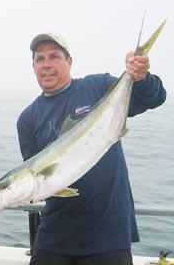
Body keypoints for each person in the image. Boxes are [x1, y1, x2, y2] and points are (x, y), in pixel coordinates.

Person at [17, 33, 167, 265]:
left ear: (69, 62)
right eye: (40, 59)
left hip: (108, 231)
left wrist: (141, 77)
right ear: (33, 67)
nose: (46, 64)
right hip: (55, 234)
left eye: (54, 57)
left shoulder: (98, 87)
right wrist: (24, 193)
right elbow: (39, 175)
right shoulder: (27, 119)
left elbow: (154, 98)